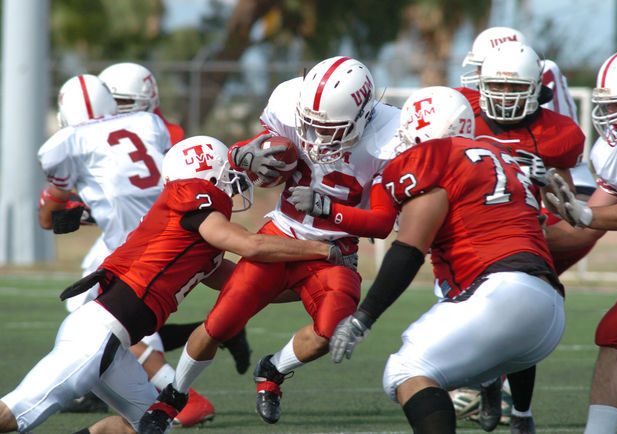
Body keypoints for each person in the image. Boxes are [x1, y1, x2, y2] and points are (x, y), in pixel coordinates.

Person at [0, 135, 355, 434]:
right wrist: (325, 250)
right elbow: (250, 245)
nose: (232, 181)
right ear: (206, 174)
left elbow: (245, 286)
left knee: (148, 426)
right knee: (13, 414)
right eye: (225, 173)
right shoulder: (193, 195)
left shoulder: (196, 236)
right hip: (99, 334)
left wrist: (309, 289)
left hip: (117, 344)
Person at [137, 55, 401, 432]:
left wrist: (328, 208)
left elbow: (382, 223)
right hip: (281, 235)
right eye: (309, 124)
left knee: (332, 330)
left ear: (362, 116)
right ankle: (173, 396)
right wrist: (242, 153)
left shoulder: (389, 138)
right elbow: (257, 155)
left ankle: (273, 369)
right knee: (220, 322)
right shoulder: (290, 104)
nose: (315, 137)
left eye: (329, 129)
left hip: (335, 251)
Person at [328, 85, 566, 434]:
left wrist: (363, 318)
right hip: (549, 308)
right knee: (483, 335)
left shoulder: (433, 156)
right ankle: (509, 402)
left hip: (501, 293)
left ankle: (493, 386)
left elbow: (409, 250)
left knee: (405, 371)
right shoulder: (503, 155)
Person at [99, 61, 251, 424]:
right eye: (110, 102)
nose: (114, 111)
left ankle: (178, 395)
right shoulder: (162, 130)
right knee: (120, 317)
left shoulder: (155, 134)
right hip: (138, 227)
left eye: (121, 102)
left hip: (152, 231)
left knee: (114, 315)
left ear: (144, 99)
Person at [453, 41, 585, 432]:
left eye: (515, 87)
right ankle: (487, 381)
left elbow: (567, 205)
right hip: (466, 237)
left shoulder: (559, 132)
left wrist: (549, 185)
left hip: (524, 237)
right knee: (470, 318)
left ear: (536, 89)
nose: (505, 95)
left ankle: (521, 411)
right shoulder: (460, 113)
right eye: (497, 85)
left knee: (523, 321)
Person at [543, 48, 617, 434]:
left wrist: (588, 215)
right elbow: (583, 228)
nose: (610, 115)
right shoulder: (615, 150)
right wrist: (520, 236)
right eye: (608, 105)